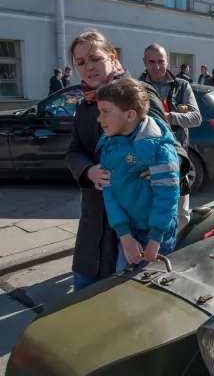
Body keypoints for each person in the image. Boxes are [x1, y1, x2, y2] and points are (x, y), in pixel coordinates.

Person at [65, 30, 190, 291]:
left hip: (135, 221)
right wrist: (89, 171)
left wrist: (163, 169)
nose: (88, 67)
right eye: (80, 62)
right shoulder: (86, 103)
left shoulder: (136, 92)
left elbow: (171, 146)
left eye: (94, 58)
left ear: (112, 57)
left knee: (124, 298)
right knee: (83, 291)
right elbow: (74, 150)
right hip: (97, 214)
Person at [96, 78, 179, 272]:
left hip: (158, 235)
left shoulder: (158, 148)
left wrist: (155, 239)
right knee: (123, 280)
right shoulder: (110, 146)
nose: (99, 119)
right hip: (130, 234)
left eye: (105, 112)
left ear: (130, 115)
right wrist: (124, 235)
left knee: (151, 286)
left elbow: (167, 197)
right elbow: (110, 194)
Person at [140, 44, 202, 230]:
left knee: (181, 212)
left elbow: (196, 118)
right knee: (151, 209)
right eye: (151, 62)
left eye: (161, 61)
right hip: (148, 159)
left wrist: (169, 117)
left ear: (167, 61)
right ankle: (156, 250)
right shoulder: (137, 87)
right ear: (144, 62)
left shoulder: (182, 86)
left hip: (178, 159)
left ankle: (179, 248)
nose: (157, 66)